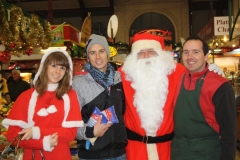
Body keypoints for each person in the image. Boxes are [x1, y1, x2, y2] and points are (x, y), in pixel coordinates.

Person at [119, 33, 223, 160]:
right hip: (134, 149)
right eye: (140, 52)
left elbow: (197, 71)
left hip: (168, 149)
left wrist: (210, 69)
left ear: (160, 54)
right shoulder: (122, 74)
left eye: (151, 51)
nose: (146, 56)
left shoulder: (177, 72)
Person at [2, 49, 83, 160]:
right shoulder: (26, 97)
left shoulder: (70, 95)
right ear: (45, 67)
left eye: (62, 68)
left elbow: (70, 133)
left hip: (60, 156)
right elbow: (13, 135)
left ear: (66, 71)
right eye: (54, 66)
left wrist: (37, 132)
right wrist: (42, 143)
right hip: (33, 156)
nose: (58, 71)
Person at [171, 36, 236, 160]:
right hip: (178, 152)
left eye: (196, 52)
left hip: (206, 153)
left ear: (206, 56)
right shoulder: (179, 77)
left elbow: (229, 133)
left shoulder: (220, 86)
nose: (189, 56)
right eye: (186, 52)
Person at [72, 34, 127, 160]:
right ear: (88, 57)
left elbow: (123, 112)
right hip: (92, 155)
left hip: (119, 154)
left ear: (107, 53)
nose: (98, 57)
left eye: (101, 51)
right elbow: (71, 122)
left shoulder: (119, 79)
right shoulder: (78, 83)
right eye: (92, 52)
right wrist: (91, 132)